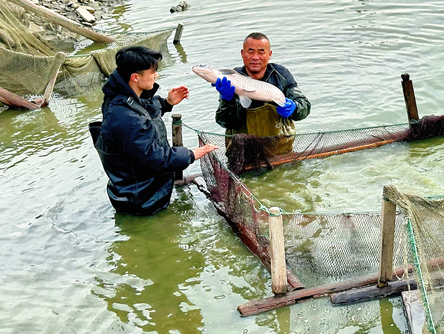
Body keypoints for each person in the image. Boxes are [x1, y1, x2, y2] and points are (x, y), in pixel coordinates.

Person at [90, 46, 217, 216]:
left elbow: (142, 112)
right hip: (142, 201)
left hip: (139, 191)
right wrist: (192, 154)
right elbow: (152, 157)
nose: (156, 75)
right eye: (153, 72)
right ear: (135, 77)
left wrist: (167, 103)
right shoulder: (124, 116)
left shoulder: (122, 97)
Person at [214, 33, 311, 142]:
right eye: (250, 51)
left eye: (261, 52)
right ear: (242, 53)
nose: (255, 57)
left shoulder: (281, 74)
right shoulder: (232, 78)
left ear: (269, 54)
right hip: (243, 150)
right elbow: (225, 122)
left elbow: (305, 106)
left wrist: (294, 108)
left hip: (279, 147)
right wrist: (227, 101)